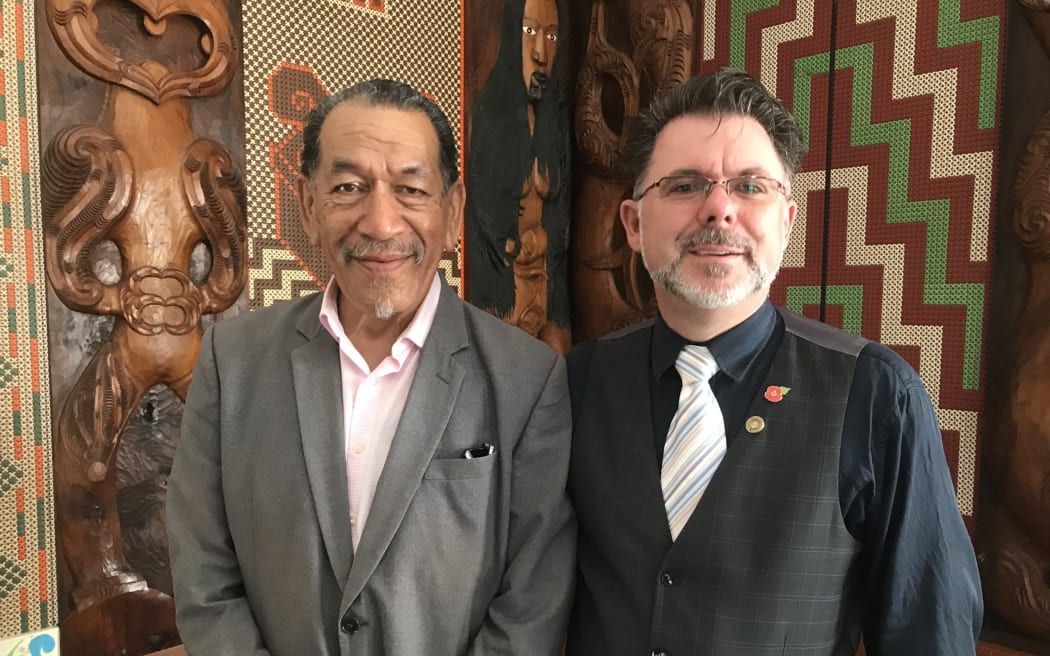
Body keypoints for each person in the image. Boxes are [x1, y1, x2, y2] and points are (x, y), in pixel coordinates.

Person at [565, 68, 982, 656]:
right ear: (634, 224)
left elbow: (929, 631)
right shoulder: (578, 382)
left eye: (751, 187)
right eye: (685, 185)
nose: (718, 210)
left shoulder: (876, 394)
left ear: (786, 223)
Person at [167, 78, 575, 655]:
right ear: (309, 207)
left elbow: (531, 602)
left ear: (451, 208)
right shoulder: (233, 359)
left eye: (410, 189)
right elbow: (203, 568)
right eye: (349, 187)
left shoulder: (527, 381)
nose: (381, 224)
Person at [466, 0, 571, 353]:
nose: (541, 52)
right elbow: (482, 206)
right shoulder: (491, 114)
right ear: (511, 36)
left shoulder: (555, 124)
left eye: (552, 36)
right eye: (529, 32)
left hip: (547, 283)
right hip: (503, 285)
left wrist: (544, 241)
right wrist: (509, 244)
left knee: (560, 360)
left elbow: (563, 214)